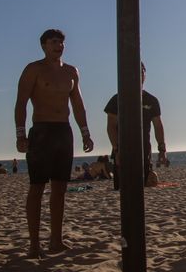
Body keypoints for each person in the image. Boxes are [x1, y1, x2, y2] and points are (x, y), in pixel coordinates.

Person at [15, 29, 93, 258]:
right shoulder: (33, 69)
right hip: (41, 131)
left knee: (60, 188)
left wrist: (85, 132)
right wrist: (20, 134)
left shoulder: (71, 72)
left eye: (61, 42)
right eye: (53, 42)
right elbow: (20, 103)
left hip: (63, 131)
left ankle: (56, 241)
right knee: (37, 188)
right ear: (43, 46)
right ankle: (34, 244)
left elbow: (78, 104)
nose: (58, 45)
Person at [105, 62, 167, 191]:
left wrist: (162, 150)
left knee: (142, 188)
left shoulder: (151, 100)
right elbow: (111, 126)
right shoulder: (117, 99)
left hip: (143, 151)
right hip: (122, 150)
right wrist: (116, 150)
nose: (139, 74)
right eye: (135, 71)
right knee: (122, 190)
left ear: (145, 74)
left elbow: (158, 126)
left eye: (141, 71)